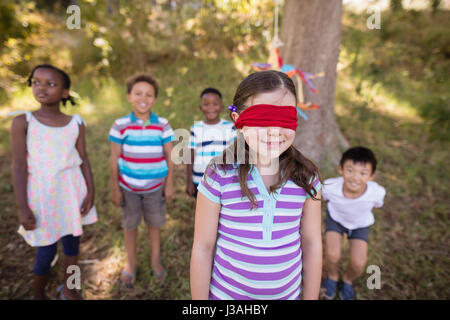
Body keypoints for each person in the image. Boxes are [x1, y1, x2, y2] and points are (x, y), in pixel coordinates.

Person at [190, 70, 323, 300]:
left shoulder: (307, 177)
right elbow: (202, 248)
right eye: (262, 118)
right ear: (238, 121)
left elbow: (312, 244)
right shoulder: (219, 175)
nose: (274, 131)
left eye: (285, 118)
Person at [10, 64, 98, 300]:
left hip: (71, 192)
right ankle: (38, 294)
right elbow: (18, 165)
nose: (41, 87)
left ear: (64, 92)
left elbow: (83, 160)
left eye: (51, 84)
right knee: (46, 250)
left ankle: (69, 288)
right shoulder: (23, 121)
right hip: (42, 196)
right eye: (36, 82)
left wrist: (90, 192)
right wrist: (22, 207)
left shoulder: (75, 123)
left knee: (72, 246)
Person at [109, 74, 175, 288]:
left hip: (156, 187)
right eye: (138, 93)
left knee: (154, 224)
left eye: (149, 94)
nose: (143, 98)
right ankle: (131, 262)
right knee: (130, 225)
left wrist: (170, 183)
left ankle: (155, 260)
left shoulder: (163, 124)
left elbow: (169, 156)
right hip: (128, 187)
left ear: (155, 99)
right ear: (129, 96)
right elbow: (114, 158)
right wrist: (115, 188)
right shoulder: (120, 125)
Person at [320, 147, 386, 300]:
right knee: (332, 254)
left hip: (360, 224)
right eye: (350, 170)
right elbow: (324, 199)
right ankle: (332, 276)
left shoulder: (377, 192)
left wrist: (358, 217)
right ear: (340, 169)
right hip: (336, 219)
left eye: (363, 173)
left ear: (372, 176)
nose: (355, 177)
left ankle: (347, 280)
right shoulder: (329, 187)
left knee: (358, 264)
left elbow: (375, 205)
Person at [186, 87, 236, 199]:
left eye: (215, 103)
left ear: (221, 107)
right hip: (199, 180)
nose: (211, 107)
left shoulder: (229, 127)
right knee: (202, 213)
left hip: (224, 179)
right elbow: (190, 156)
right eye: (206, 104)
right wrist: (189, 181)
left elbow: (235, 153)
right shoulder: (196, 128)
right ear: (200, 107)